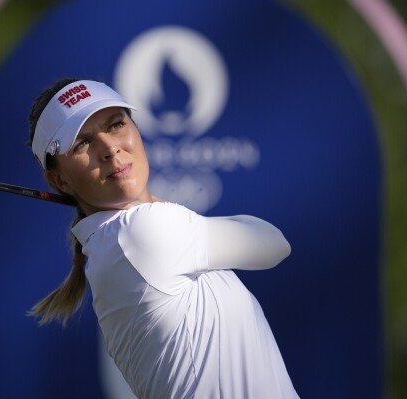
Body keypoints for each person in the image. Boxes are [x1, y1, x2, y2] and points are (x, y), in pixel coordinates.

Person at [27, 78, 299, 398]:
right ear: (58, 178)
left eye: (115, 125)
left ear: (136, 130)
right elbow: (272, 243)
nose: (109, 148)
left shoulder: (115, 241)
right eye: (82, 143)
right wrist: (151, 201)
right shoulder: (141, 231)